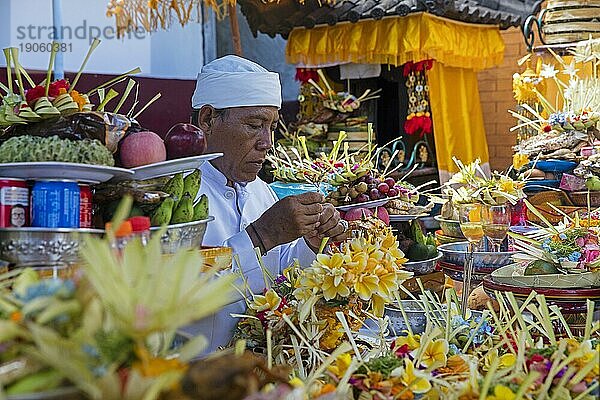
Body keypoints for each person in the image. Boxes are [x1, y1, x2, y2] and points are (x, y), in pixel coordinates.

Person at [183, 55, 348, 352]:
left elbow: (281, 271)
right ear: (207, 120)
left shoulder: (261, 191)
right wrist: (261, 236)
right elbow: (180, 294)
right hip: (192, 374)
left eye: (271, 127)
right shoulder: (175, 194)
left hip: (258, 368)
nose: (267, 142)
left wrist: (311, 243)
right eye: (254, 124)